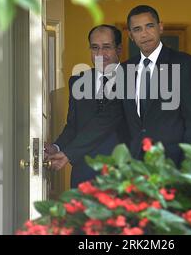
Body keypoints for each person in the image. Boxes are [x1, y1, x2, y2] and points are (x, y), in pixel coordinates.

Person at [49, 5, 191, 171]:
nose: (144, 34)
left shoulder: (184, 63)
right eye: (137, 29)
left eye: (149, 26)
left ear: (160, 27)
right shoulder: (125, 70)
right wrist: (68, 153)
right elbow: (108, 117)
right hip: (134, 168)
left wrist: (187, 164)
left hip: (172, 164)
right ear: (131, 36)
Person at [45, 24, 129, 188]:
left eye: (106, 48)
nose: (100, 54)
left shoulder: (133, 79)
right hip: (84, 174)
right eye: (95, 48)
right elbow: (73, 126)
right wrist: (56, 147)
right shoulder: (78, 81)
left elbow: (107, 121)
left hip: (122, 174)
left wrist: (68, 154)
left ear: (118, 49)